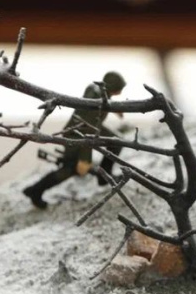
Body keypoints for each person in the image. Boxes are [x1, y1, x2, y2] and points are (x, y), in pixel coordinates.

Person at [23, 71, 127, 209]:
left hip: (90, 128)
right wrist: (85, 159)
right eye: (119, 88)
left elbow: (101, 105)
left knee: (115, 142)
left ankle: (104, 176)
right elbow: (87, 131)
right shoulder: (95, 99)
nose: (121, 90)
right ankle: (35, 191)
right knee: (70, 168)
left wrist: (113, 107)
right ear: (113, 87)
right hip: (76, 135)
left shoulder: (98, 91)